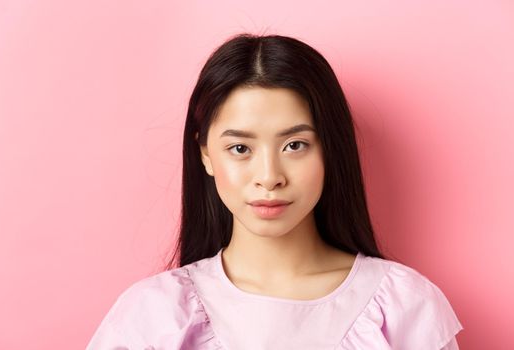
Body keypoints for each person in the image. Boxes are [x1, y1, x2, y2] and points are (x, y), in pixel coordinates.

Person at [86, 33, 463, 349]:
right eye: (240, 149)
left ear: (330, 149)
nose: (269, 177)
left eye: (294, 145)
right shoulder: (153, 314)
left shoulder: (403, 306)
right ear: (205, 155)